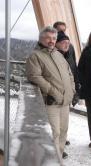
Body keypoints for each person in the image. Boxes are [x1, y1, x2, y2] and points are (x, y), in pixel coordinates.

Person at [26, 26, 75, 159]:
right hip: (51, 101)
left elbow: (69, 73)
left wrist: (72, 90)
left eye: (54, 38)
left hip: (65, 101)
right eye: (48, 37)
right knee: (54, 132)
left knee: (63, 131)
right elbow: (34, 76)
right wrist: (54, 92)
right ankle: (48, 159)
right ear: (41, 39)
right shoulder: (35, 56)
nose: (51, 40)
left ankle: (57, 157)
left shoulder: (58, 54)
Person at [53, 21, 79, 146]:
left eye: (64, 30)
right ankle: (56, 142)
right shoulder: (51, 48)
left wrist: (75, 87)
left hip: (68, 87)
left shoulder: (70, 47)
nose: (62, 32)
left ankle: (62, 139)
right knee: (55, 118)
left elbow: (74, 65)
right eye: (59, 30)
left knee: (64, 118)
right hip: (55, 90)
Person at [55, 31, 79, 107]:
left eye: (68, 43)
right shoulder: (52, 57)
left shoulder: (69, 56)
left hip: (67, 95)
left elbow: (74, 73)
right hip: (55, 97)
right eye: (64, 42)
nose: (67, 45)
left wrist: (75, 91)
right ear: (56, 43)